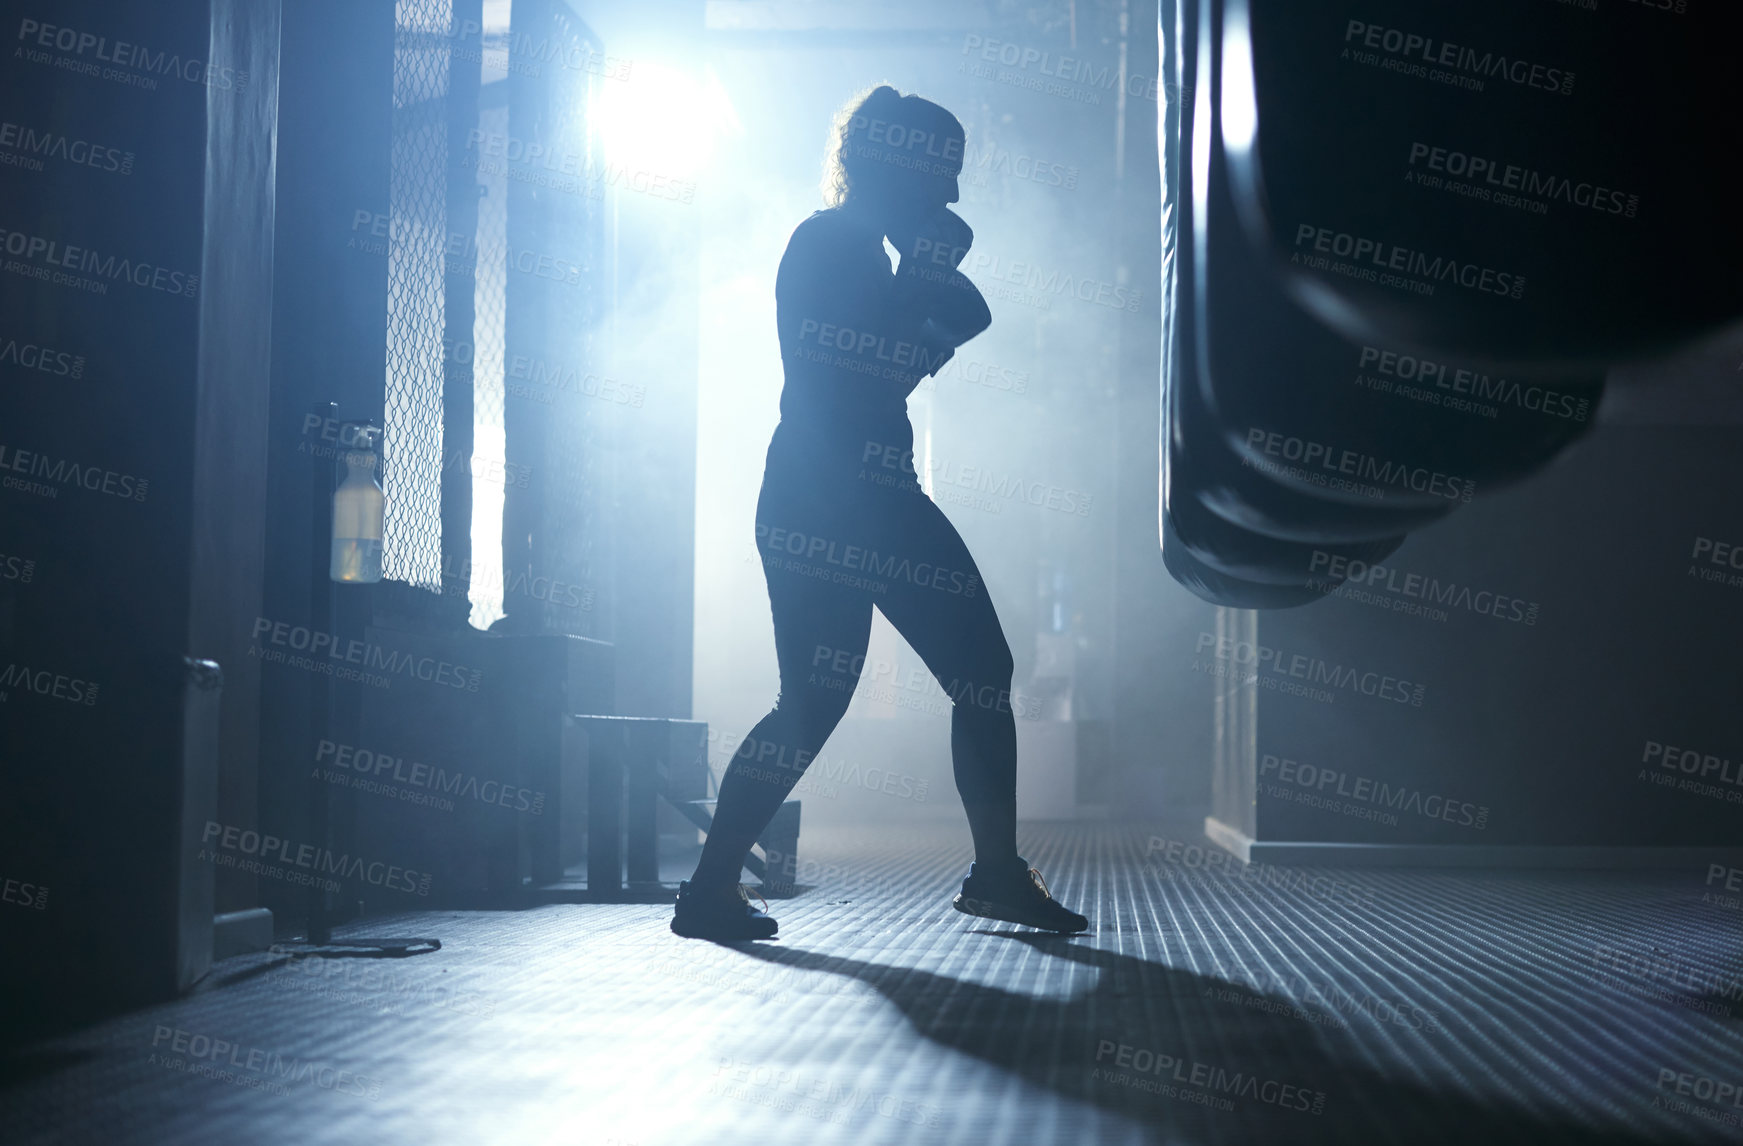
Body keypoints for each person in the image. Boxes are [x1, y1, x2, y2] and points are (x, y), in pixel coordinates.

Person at [671, 84, 1088, 941]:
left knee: (816, 701)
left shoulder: (850, 248)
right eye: (942, 174)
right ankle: (995, 875)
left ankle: (711, 889)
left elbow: (902, 352)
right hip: (849, 495)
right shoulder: (833, 245)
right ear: (891, 164)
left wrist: (932, 284)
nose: (953, 196)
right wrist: (931, 277)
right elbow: (861, 371)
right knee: (955, 677)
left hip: (829, 490)